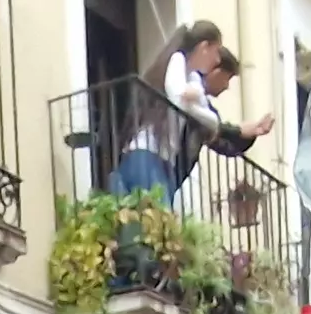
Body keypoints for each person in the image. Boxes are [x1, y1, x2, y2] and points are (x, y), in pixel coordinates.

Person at [110, 22, 279, 196]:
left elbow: (216, 131)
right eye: (226, 78)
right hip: (149, 159)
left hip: (160, 164)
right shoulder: (179, 68)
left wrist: (241, 131)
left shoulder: (190, 84)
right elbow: (182, 101)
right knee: (154, 219)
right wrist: (234, 129)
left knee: (150, 219)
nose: (227, 86)